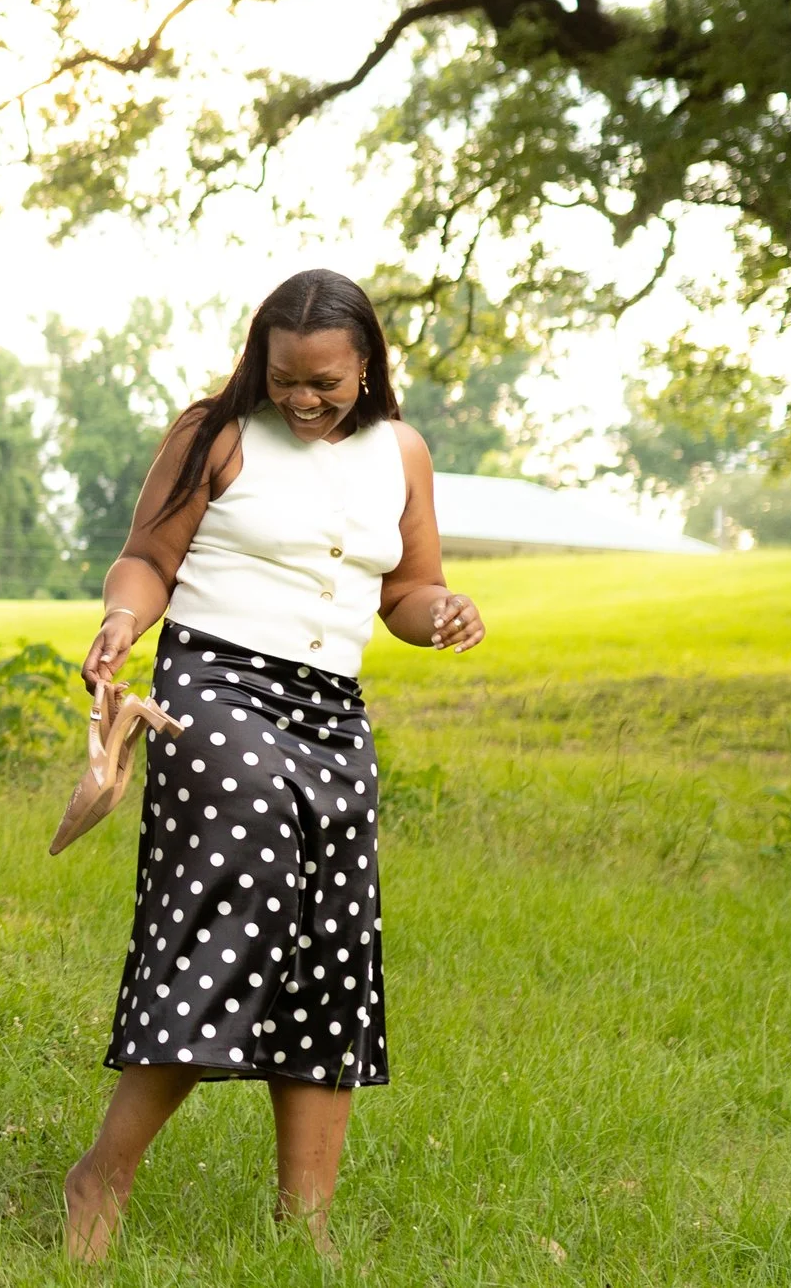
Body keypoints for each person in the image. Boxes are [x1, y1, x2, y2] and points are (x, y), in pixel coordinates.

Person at [61, 268, 485, 1261]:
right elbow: (147, 558)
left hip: (331, 709)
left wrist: (445, 613)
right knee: (235, 922)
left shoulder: (401, 453)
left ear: (368, 365)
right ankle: (103, 1173)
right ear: (262, 361)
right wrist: (122, 617)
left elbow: (407, 592)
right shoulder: (215, 431)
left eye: (325, 381)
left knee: (330, 953)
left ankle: (306, 1230)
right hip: (212, 688)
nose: (303, 397)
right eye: (287, 376)